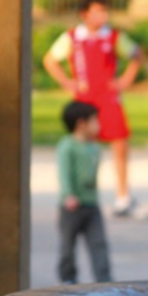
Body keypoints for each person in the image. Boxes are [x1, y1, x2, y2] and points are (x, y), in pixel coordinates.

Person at [44, 0, 144, 217]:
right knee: (79, 148)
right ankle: (76, 194)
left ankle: (123, 197)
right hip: (85, 99)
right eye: (98, 11)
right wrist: (67, 82)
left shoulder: (113, 37)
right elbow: (50, 60)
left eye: (105, 11)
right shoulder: (72, 37)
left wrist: (125, 80)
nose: (103, 15)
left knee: (120, 145)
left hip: (108, 99)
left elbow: (137, 55)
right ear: (85, 13)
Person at [56, 100, 112, 284]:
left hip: (91, 204)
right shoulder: (67, 146)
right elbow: (64, 173)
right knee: (67, 246)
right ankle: (68, 279)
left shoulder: (95, 147)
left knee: (99, 244)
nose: (98, 125)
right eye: (94, 120)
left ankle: (104, 280)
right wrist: (68, 194)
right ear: (81, 123)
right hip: (71, 206)